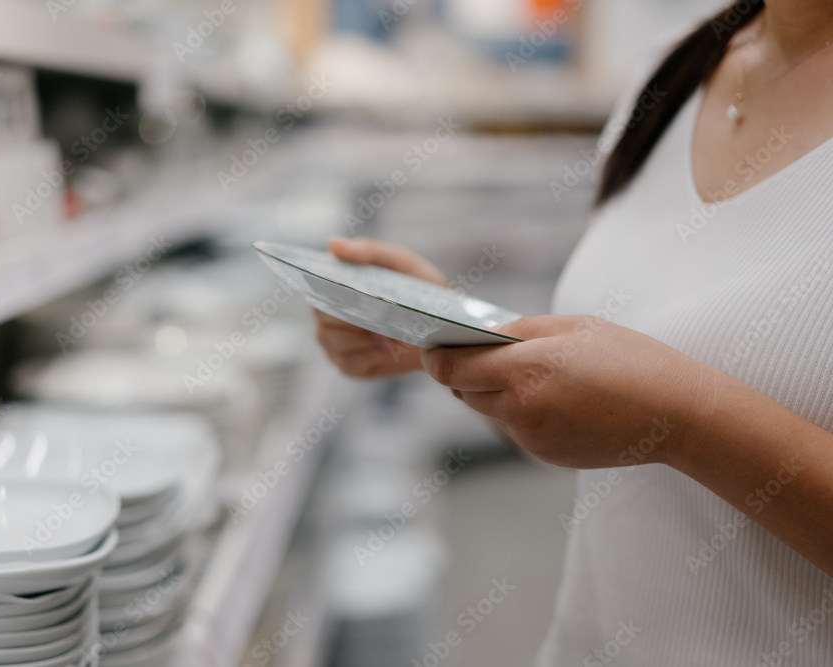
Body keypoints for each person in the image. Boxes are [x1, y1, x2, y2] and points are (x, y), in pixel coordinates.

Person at [313, 0, 833, 664]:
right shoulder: (675, 71)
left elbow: (662, 406)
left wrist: (684, 419)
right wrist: (453, 333)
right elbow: (611, 437)